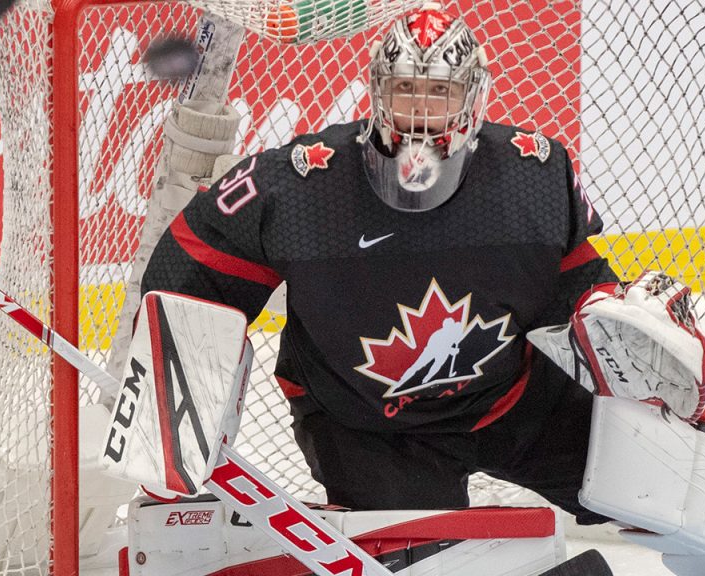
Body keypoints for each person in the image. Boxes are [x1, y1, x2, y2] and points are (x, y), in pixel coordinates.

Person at [141, 2, 618, 525]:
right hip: (366, 425)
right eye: (406, 89)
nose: (420, 110)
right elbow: (196, 253)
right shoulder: (304, 184)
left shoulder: (534, 175)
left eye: (440, 92)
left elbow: (582, 287)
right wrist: (172, 391)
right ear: (377, 91)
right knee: (422, 552)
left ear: (473, 97)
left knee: (650, 480)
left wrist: (628, 326)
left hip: (512, 401)